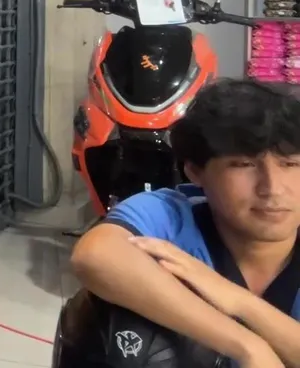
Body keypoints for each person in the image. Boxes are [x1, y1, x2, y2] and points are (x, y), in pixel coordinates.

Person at [63, 78, 300, 368]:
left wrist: (241, 303)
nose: (273, 188)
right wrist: (246, 345)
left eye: (291, 164)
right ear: (195, 172)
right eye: (244, 164)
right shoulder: (174, 214)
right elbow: (96, 256)